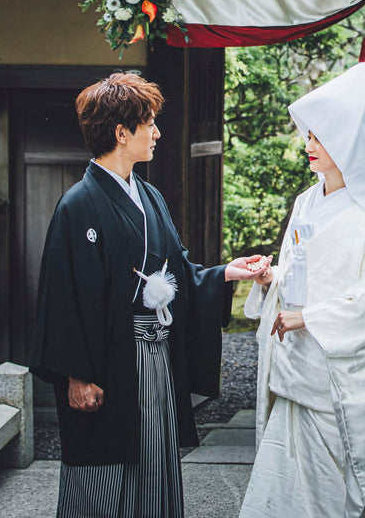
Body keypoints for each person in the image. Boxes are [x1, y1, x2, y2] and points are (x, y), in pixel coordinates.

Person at [29, 72, 265, 518]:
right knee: (104, 471)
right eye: (149, 123)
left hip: (152, 357)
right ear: (121, 133)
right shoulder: (78, 205)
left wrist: (226, 273)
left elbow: (175, 270)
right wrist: (75, 375)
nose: (156, 133)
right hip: (105, 360)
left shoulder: (149, 196)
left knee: (154, 464)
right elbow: (62, 297)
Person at [239, 62, 365, 518]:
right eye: (309, 136)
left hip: (334, 367)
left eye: (318, 137)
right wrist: (271, 279)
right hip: (295, 358)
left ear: (346, 143)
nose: (309, 146)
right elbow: (299, 271)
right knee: (285, 474)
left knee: (343, 478)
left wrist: (310, 317)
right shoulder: (306, 201)